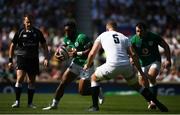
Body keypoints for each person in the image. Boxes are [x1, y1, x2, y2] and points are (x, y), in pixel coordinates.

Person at [83, 20, 168, 112]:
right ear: (116, 28)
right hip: (126, 66)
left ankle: (95, 107)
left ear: (107, 28)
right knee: (138, 87)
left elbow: (92, 54)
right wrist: (140, 72)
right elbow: (134, 55)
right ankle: (158, 103)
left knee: (94, 78)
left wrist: (87, 65)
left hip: (112, 65)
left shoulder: (102, 35)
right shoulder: (124, 37)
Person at [42, 20, 104, 110]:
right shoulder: (67, 38)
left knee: (82, 91)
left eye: (69, 31)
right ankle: (54, 104)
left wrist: (77, 53)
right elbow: (62, 46)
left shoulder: (82, 37)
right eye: (65, 31)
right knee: (63, 83)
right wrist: (57, 53)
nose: (67, 33)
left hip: (86, 65)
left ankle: (97, 91)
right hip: (75, 63)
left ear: (74, 29)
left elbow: (91, 51)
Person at [8, 14, 49, 108]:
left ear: (33, 22)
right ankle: (17, 102)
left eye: (30, 22)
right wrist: (10, 60)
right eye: (27, 22)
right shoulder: (20, 32)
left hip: (34, 59)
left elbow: (44, 45)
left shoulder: (38, 32)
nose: (29, 24)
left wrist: (46, 58)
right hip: (22, 58)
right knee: (20, 78)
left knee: (31, 81)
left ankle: (30, 103)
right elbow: (12, 46)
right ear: (24, 22)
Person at [130, 22, 171, 109]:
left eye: (141, 31)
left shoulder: (153, 37)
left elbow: (166, 46)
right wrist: (131, 58)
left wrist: (168, 60)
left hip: (154, 61)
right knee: (142, 83)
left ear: (146, 30)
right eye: (137, 31)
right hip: (142, 64)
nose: (139, 33)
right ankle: (150, 102)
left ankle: (153, 101)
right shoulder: (133, 40)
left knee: (151, 77)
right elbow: (131, 52)